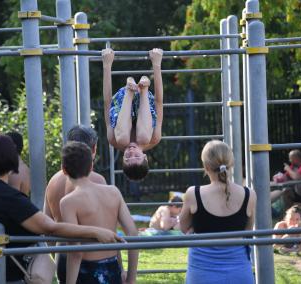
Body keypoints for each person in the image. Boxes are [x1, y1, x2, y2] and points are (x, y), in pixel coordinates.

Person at [0, 134, 122, 283]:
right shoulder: (9, 197)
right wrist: (95, 231)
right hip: (8, 276)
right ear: (11, 160)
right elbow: (49, 226)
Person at [43, 125, 118, 283]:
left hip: (61, 255)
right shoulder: (97, 180)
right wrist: (121, 268)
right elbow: (108, 229)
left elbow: (47, 226)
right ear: (94, 149)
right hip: (91, 259)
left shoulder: (53, 181)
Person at [60, 141, 138, 284]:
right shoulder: (113, 192)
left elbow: (75, 252)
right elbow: (133, 233)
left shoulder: (68, 202)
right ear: (91, 166)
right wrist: (131, 278)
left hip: (87, 273)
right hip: (113, 269)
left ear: (64, 170)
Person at [179, 140, 256, 284]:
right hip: (239, 272)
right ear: (231, 163)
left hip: (201, 273)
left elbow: (183, 228)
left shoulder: (193, 193)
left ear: (206, 166)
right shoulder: (249, 194)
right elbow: (247, 232)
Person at [102, 48, 163, 181]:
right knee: (143, 137)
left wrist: (107, 65)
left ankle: (130, 89)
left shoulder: (114, 139)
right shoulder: (154, 138)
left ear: (122, 159)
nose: (131, 152)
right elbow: (158, 103)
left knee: (122, 138)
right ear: (145, 157)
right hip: (144, 97)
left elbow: (107, 104)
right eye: (137, 156)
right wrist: (156, 64)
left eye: (128, 157)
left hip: (123, 98)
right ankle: (144, 88)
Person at [6, 131, 30, 196]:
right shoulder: (25, 168)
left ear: (14, 146)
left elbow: (11, 202)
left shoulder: (14, 172)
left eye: (5, 144)